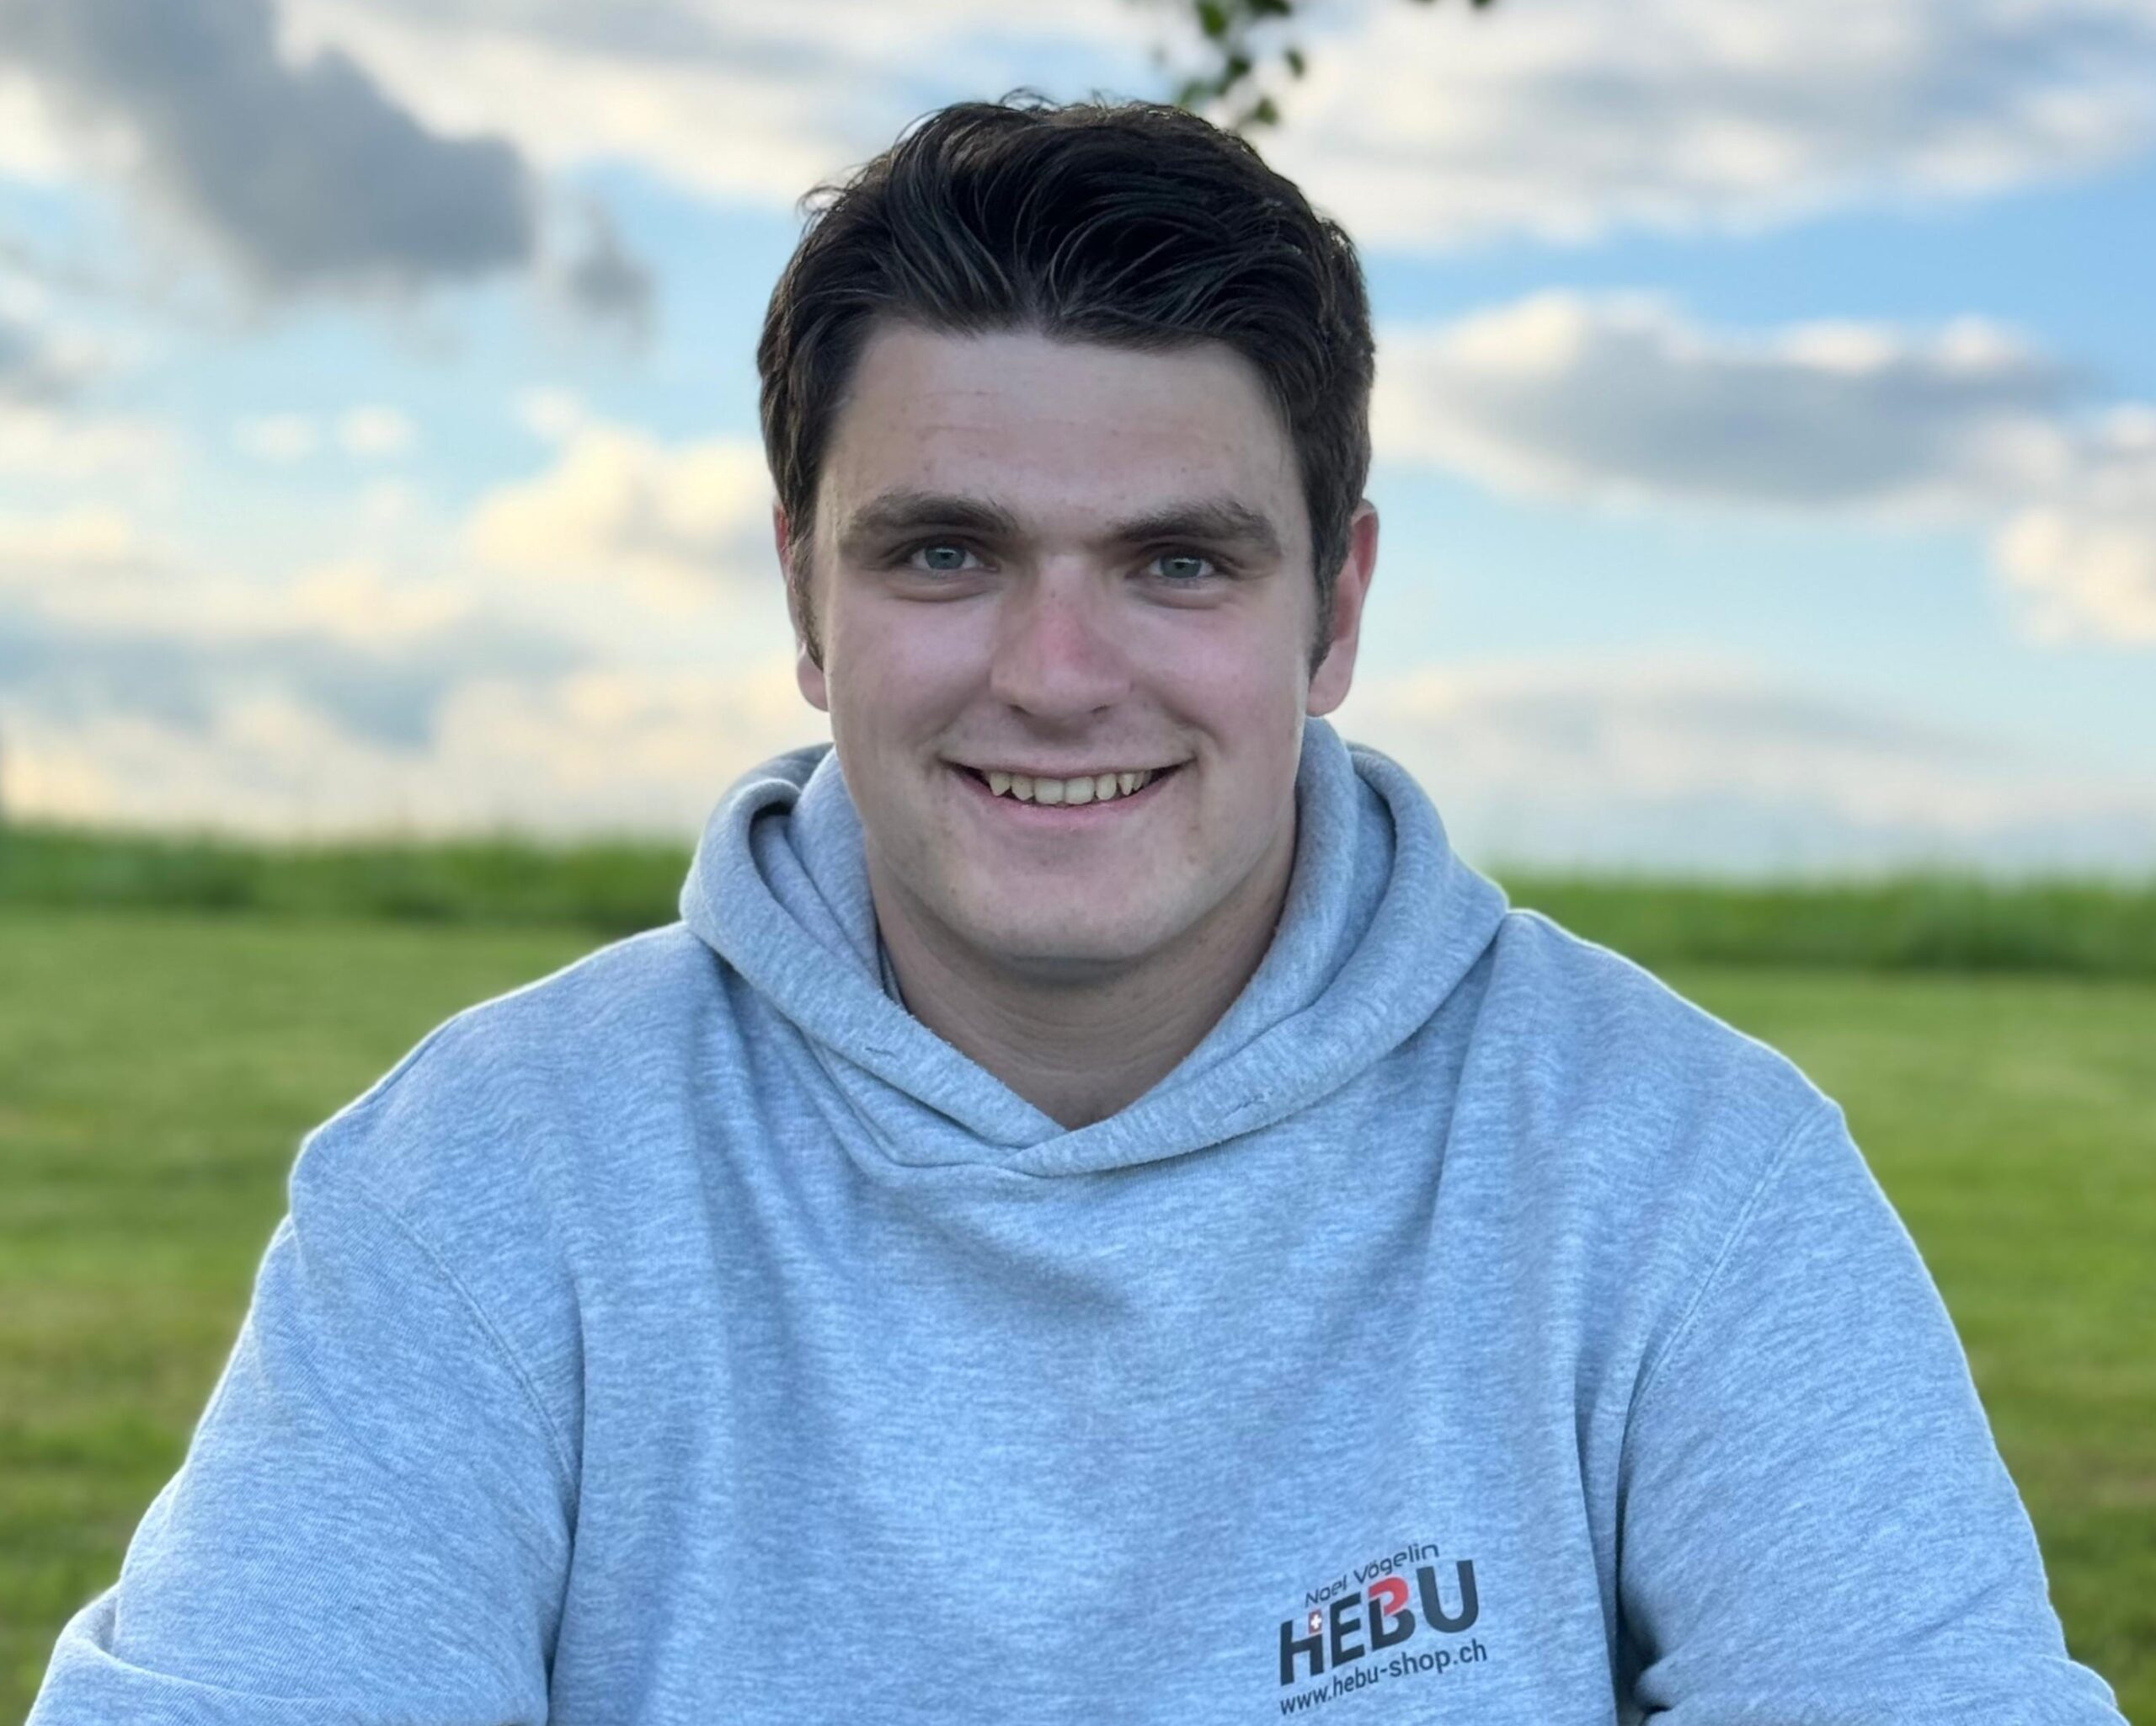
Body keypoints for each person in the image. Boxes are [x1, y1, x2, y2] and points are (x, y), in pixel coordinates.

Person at [29, 95, 2127, 1725]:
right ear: (802, 596)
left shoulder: (1684, 1178)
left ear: (1336, 607)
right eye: (943, 553)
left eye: (1175, 562)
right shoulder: (486, 1182)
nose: (1052, 673)